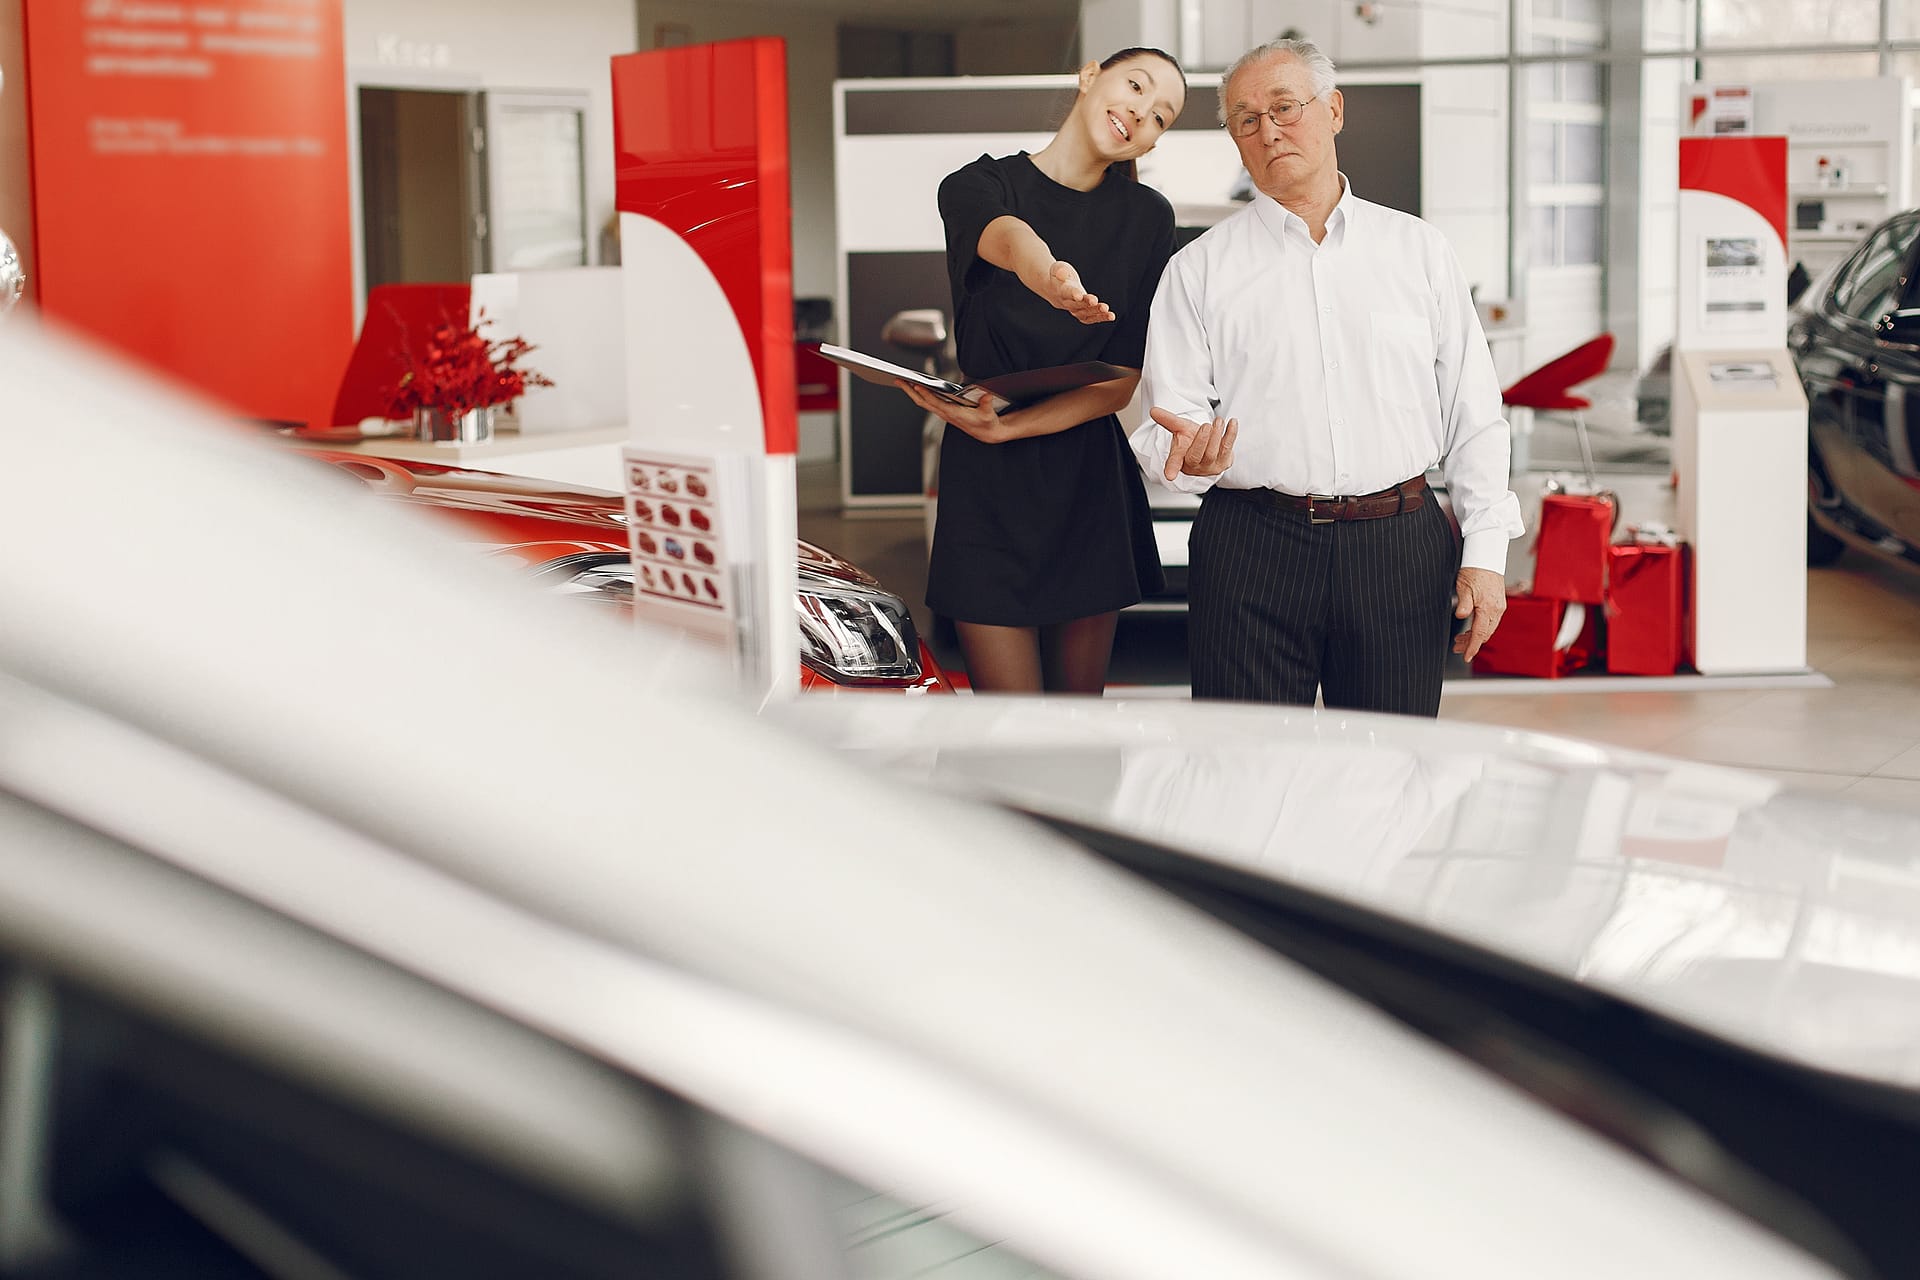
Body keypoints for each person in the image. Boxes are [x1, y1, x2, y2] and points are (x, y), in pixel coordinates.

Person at [1133, 36, 1524, 717]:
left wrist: (1486, 550)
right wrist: (1185, 459)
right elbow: (1169, 420)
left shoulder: (1419, 251)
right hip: (1251, 545)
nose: (1269, 129)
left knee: (1394, 776)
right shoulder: (1196, 270)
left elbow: (1475, 414)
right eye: (1246, 119)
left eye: (1285, 106)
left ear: (1334, 110)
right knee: (1243, 776)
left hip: (1399, 545)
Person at [897, 48, 1187, 694]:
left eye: (1160, 115)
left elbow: (1119, 380)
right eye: (1134, 86)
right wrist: (1050, 276)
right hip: (986, 482)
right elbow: (1005, 237)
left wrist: (1015, 430)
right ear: (1091, 75)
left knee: (1075, 728)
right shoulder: (978, 185)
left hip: (1088, 483)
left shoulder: (1148, 220)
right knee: (1010, 732)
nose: (1140, 112)